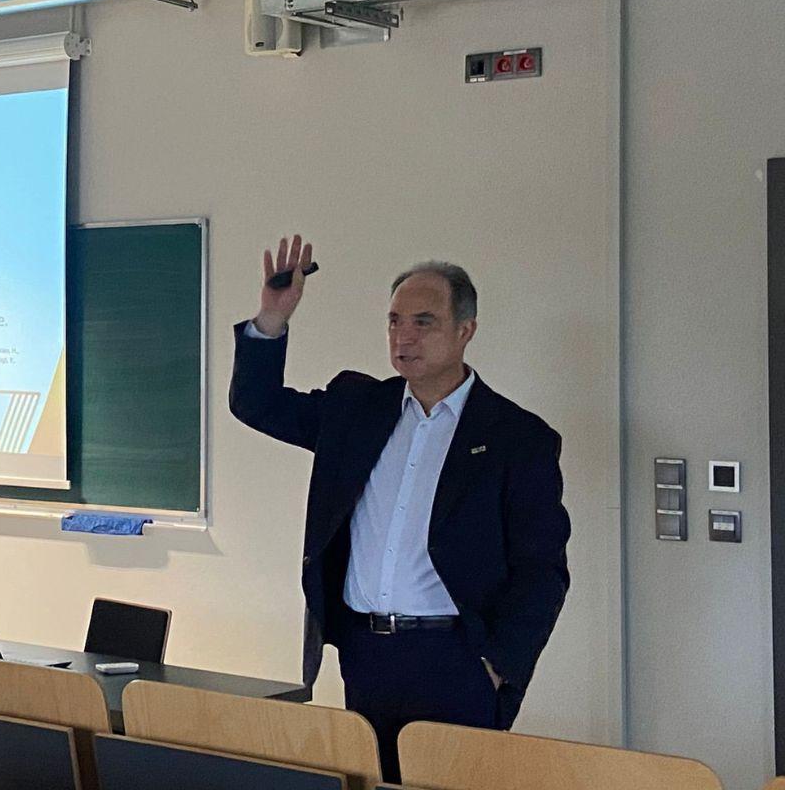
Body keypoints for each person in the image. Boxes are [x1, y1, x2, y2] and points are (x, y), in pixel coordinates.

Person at [229, 235, 570, 781]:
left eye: (423, 322)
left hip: (458, 660)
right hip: (366, 653)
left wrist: (500, 666)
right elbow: (257, 404)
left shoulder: (516, 438)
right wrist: (272, 318)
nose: (403, 336)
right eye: (394, 322)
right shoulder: (357, 409)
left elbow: (542, 569)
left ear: (465, 330)